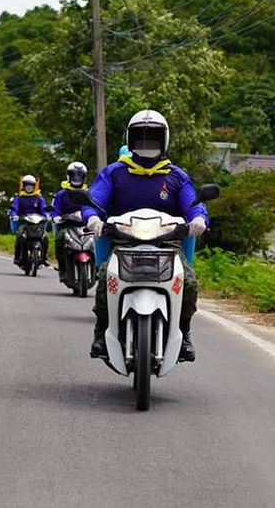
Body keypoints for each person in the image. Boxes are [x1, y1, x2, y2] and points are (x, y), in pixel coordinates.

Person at [82, 109, 209, 362]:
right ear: (130, 140)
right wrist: (93, 218)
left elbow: (194, 205)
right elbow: (94, 200)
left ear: (165, 139)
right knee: (105, 276)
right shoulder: (114, 173)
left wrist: (198, 219)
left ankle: (183, 332)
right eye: (140, 137)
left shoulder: (176, 176)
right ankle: (101, 331)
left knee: (189, 282)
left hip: (168, 244)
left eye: (152, 137)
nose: (146, 143)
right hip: (123, 242)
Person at [51, 162, 88, 279]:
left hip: (85, 226)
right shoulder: (62, 194)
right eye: (74, 175)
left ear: (84, 177)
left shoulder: (89, 193)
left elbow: (96, 207)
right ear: (68, 176)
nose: (77, 179)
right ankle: (62, 266)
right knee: (60, 238)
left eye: (80, 176)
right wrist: (56, 217)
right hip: (67, 226)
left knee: (98, 239)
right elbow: (55, 209)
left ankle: (98, 267)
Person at [10, 175, 49, 266]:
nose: (29, 187)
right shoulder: (19, 198)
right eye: (27, 185)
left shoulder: (39, 198)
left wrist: (46, 216)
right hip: (24, 223)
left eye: (31, 185)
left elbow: (43, 209)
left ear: (34, 186)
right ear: (24, 186)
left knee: (45, 237)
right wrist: (14, 215)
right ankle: (17, 256)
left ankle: (43, 257)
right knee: (20, 236)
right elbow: (14, 209)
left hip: (36, 224)